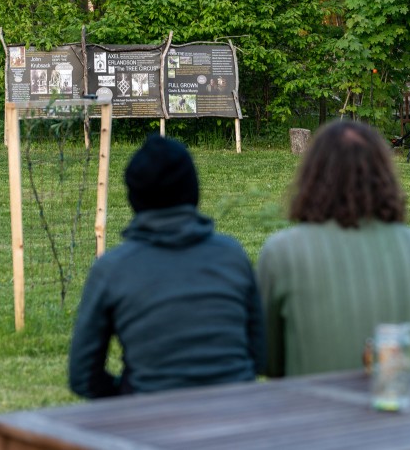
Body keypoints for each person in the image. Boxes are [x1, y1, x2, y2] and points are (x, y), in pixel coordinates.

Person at [69, 135, 265, 398]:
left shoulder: (113, 269)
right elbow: (261, 354)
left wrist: (128, 394)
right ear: (193, 190)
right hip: (237, 418)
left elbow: (82, 376)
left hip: (151, 422)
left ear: (134, 196)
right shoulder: (232, 255)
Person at [257, 120, 410, 378]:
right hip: (397, 405)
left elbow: (268, 361)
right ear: (383, 176)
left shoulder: (282, 251)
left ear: (313, 176)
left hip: (312, 410)